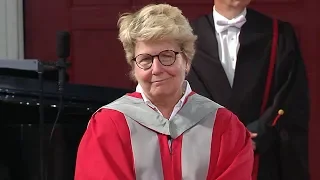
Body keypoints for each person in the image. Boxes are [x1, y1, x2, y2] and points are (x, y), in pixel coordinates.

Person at [74, 3, 253, 180]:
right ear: (134, 67)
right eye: (145, 60)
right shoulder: (109, 125)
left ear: (187, 60)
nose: (157, 69)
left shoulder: (224, 126)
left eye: (167, 56)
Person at [186, 0, 310, 180]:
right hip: (202, 158)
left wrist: (258, 132)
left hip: (263, 159)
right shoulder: (184, 37)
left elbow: (291, 94)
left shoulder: (278, 33)